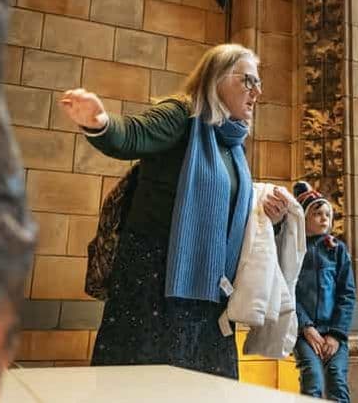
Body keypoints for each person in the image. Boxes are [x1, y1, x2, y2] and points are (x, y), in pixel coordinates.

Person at [59, 44, 291, 378]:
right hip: (155, 285)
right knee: (144, 387)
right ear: (218, 77)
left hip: (209, 296)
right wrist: (101, 123)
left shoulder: (231, 144)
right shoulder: (182, 114)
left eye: (258, 83)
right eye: (249, 81)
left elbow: (231, 216)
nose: (258, 91)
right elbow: (132, 135)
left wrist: (270, 214)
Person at [291, 181, 355, 403]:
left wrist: (336, 334)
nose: (325, 218)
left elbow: (347, 294)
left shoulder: (337, 250)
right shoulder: (294, 249)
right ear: (304, 217)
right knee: (313, 379)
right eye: (317, 213)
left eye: (328, 213)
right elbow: (287, 291)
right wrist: (305, 327)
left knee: (337, 381)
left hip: (334, 334)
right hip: (305, 333)